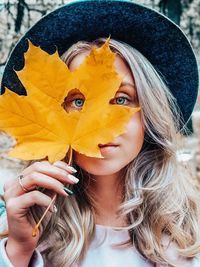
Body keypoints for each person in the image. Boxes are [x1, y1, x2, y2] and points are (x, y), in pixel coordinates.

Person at [0, 1, 200, 266]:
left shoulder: (190, 235)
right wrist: (18, 250)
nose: (102, 122)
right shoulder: (23, 229)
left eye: (121, 100)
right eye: (78, 102)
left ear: (149, 114)